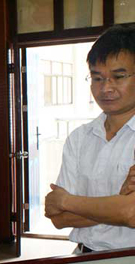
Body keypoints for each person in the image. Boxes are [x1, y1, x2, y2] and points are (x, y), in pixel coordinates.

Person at [45, 25, 135, 252]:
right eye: (97, 78)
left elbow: (130, 213)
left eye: (118, 77)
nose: (106, 88)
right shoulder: (79, 138)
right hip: (82, 255)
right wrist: (117, 201)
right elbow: (59, 218)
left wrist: (65, 200)